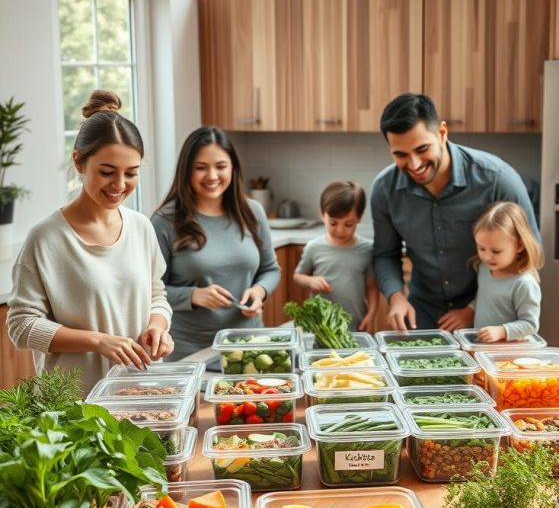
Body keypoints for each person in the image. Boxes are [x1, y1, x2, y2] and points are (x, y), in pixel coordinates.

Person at [8, 91, 174, 394]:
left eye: (131, 173)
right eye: (107, 172)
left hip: (138, 394)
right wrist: (98, 341)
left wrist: (157, 327)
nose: (120, 185)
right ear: (79, 162)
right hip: (72, 407)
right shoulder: (46, 238)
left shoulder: (141, 227)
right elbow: (21, 326)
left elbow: (156, 295)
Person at [371, 93, 540, 332]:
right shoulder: (384, 190)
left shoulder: (498, 180)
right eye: (401, 154)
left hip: (491, 322)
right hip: (423, 315)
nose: (415, 164)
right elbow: (385, 254)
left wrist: (474, 309)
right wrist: (396, 296)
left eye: (422, 149)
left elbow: (530, 254)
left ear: (442, 133)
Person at [151, 126, 281, 358]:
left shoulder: (253, 211)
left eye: (221, 166)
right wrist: (193, 296)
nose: (212, 176)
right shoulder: (164, 222)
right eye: (201, 168)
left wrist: (259, 292)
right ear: (186, 171)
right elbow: (151, 291)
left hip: (249, 343)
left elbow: (270, 269)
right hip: (192, 350)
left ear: (233, 168)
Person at [293, 180, 379, 332]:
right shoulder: (314, 247)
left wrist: (371, 315)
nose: (340, 230)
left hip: (356, 325)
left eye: (348, 224)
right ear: (322, 214)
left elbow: (371, 287)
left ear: (359, 218)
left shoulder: (367, 249)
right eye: (333, 223)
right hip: (320, 328)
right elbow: (298, 276)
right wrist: (311, 281)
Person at [470, 202, 543, 342]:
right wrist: (471, 308)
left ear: (519, 245)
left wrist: (502, 331)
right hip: (485, 348)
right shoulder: (485, 268)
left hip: (511, 352)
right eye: (481, 248)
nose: (487, 257)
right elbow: (488, 299)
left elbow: (530, 324)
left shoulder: (524, 284)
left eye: (496, 251)